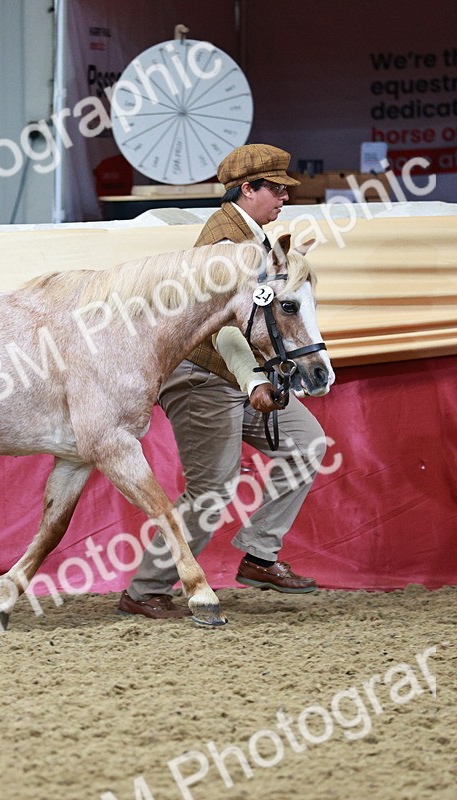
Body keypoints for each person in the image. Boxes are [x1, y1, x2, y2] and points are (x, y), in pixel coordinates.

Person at [118, 143, 328, 619]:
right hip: (202, 376)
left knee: (307, 442)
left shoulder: (257, 240)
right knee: (211, 488)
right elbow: (227, 329)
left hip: (235, 375)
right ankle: (146, 589)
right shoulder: (224, 246)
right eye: (276, 189)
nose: (284, 198)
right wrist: (255, 380)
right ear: (247, 189)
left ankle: (259, 554)